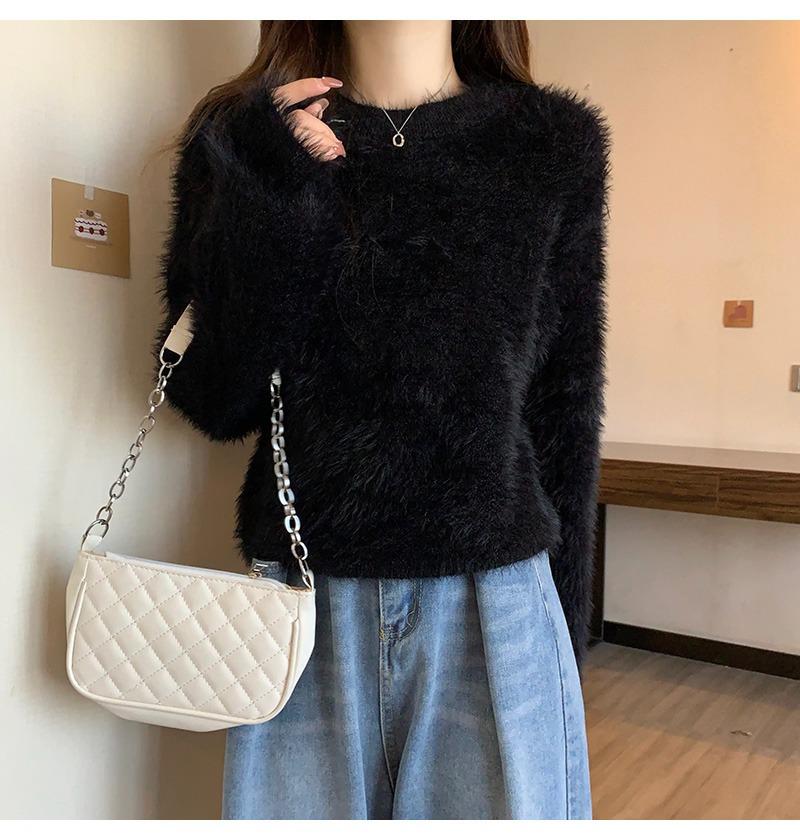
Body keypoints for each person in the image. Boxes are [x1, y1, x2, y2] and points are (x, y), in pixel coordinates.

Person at [156, 19, 609, 820]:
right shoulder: (249, 136)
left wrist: (564, 645)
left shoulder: (549, 142)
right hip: (304, 602)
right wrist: (275, 187)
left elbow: (563, 409)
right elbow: (214, 398)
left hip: (496, 605)